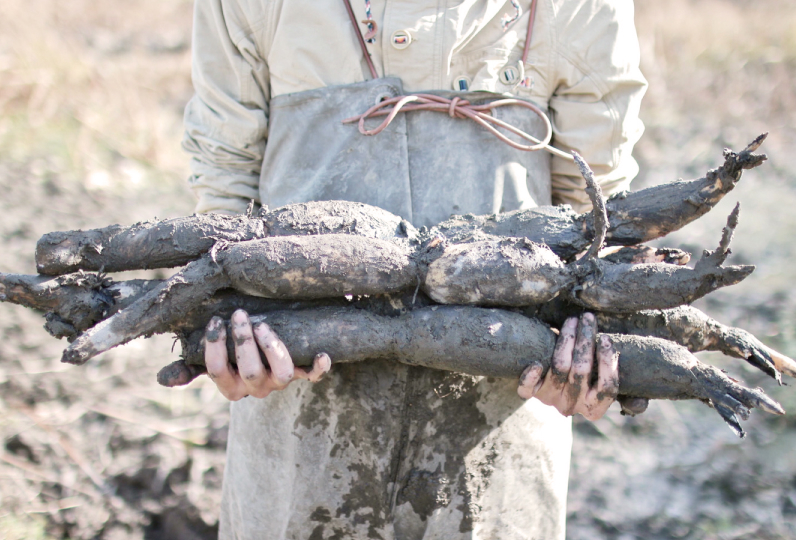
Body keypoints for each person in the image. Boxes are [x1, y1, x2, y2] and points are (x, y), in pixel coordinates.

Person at [181, 0, 647, 538]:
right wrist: (231, 326)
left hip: (505, 410)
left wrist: (590, 352)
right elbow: (224, 189)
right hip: (295, 396)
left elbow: (598, 214)